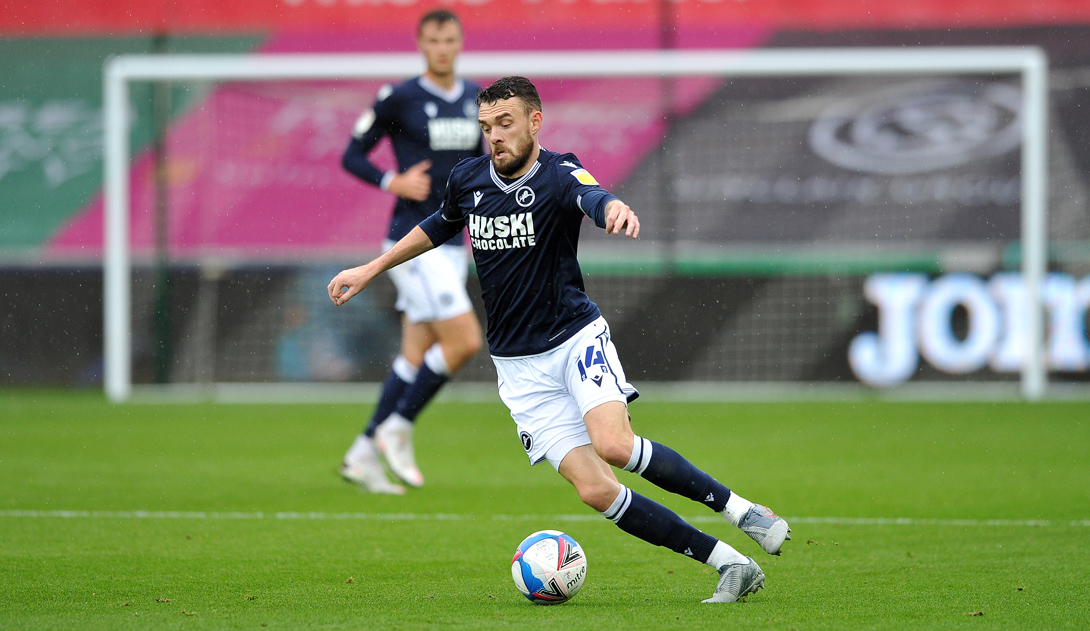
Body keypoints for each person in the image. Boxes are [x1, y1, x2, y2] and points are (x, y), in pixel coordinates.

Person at [328, 76, 790, 603]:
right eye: (486, 126)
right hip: (517, 368)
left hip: (573, 339)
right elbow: (438, 224)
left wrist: (612, 209)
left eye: (505, 124)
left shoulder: (559, 172)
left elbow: (592, 195)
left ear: (534, 121)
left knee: (613, 445)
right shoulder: (468, 179)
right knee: (595, 489)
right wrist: (371, 267)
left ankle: (743, 512)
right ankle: (731, 564)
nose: (494, 136)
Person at [338, 10, 484, 494]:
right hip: (412, 243)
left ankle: (361, 454)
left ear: (460, 43)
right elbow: (351, 154)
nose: (442, 48)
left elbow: (479, 166)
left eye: (449, 39)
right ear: (421, 44)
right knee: (464, 342)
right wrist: (392, 181)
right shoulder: (399, 97)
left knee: (415, 354)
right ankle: (397, 427)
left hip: (453, 243)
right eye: (434, 40)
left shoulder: (475, 99)